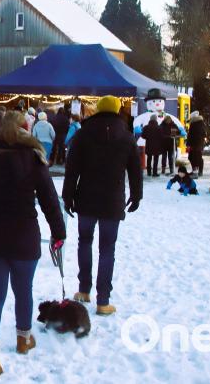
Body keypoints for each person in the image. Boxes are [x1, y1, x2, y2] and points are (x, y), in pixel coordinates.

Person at [0, 112, 67, 371]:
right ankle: (24, 339)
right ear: (27, 128)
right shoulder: (34, 158)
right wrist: (59, 232)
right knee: (24, 291)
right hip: (24, 235)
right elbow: (49, 200)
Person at [61, 95, 142, 316]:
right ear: (117, 110)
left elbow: (72, 169)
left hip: (86, 198)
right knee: (107, 249)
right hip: (112, 200)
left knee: (84, 242)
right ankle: (103, 300)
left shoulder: (82, 134)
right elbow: (135, 170)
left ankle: (84, 289)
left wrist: (67, 196)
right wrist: (136, 196)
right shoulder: (126, 136)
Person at [186, 111, 206, 177]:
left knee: (194, 157)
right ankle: (199, 172)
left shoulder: (195, 124)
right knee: (198, 157)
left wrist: (189, 143)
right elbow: (204, 134)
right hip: (199, 144)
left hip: (195, 144)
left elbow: (191, 135)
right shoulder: (201, 123)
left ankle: (195, 173)